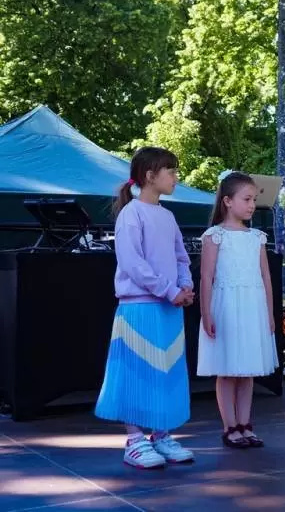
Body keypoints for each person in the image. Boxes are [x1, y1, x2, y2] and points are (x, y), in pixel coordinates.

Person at [95, 147, 195, 469]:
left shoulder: (168, 216)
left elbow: (181, 257)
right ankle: (135, 440)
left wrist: (185, 286)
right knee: (135, 373)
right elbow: (132, 262)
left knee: (165, 372)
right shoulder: (131, 214)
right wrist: (170, 290)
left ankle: (161, 435)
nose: (176, 177)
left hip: (169, 309)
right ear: (150, 176)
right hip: (139, 308)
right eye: (171, 171)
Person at [197, 170, 279, 449]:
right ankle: (229, 426)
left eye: (254, 199)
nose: (252, 205)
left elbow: (265, 276)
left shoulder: (257, 237)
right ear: (228, 201)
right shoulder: (215, 235)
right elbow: (206, 276)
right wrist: (206, 313)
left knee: (247, 369)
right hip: (227, 307)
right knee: (228, 368)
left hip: (252, 307)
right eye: (247, 199)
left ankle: (245, 424)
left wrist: (269, 313)